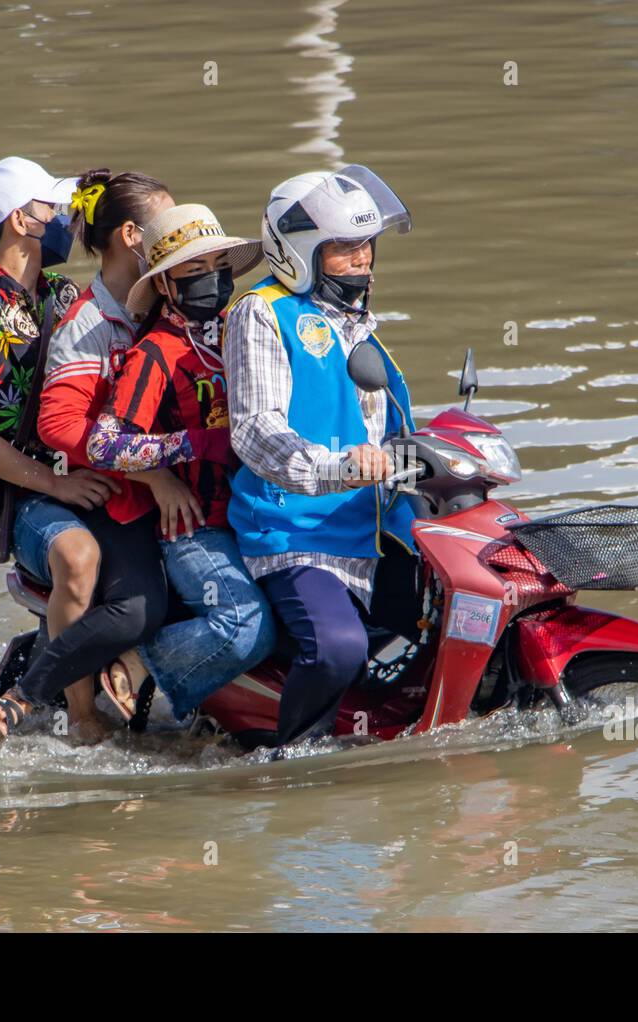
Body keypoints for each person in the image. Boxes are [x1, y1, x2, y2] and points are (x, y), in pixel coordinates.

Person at [224, 165, 424, 748]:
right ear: (300, 251)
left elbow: (389, 430)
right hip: (294, 531)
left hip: (372, 526)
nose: (362, 258)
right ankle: (292, 767)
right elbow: (256, 431)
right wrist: (334, 467)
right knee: (340, 649)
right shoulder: (261, 312)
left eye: (367, 244)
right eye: (343, 248)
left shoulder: (360, 326)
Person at [0, 169, 181, 736]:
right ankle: (74, 711)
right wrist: (152, 475)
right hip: (80, 490)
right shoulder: (82, 319)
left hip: (138, 484)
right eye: (163, 225)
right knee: (132, 599)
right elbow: (56, 426)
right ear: (130, 235)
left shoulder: (165, 305)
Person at [0, 156, 121, 742]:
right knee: (79, 558)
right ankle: (85, 723)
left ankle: (54, 660)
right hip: (27, 496)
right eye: (52, 208)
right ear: (22, 221)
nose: (65, 219)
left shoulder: (66, 295)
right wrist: (55, 484)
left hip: (85, 474)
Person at [85, 203, 277, 726]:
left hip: (267, 514)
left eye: (217, 267)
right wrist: (196, 444)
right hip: (199, 528)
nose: (210, 281)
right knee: (246, 626)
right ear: (165, 286)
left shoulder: (254, 331)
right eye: (193, 272)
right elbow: (106, 446)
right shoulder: (155, 354)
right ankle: (136, 665)